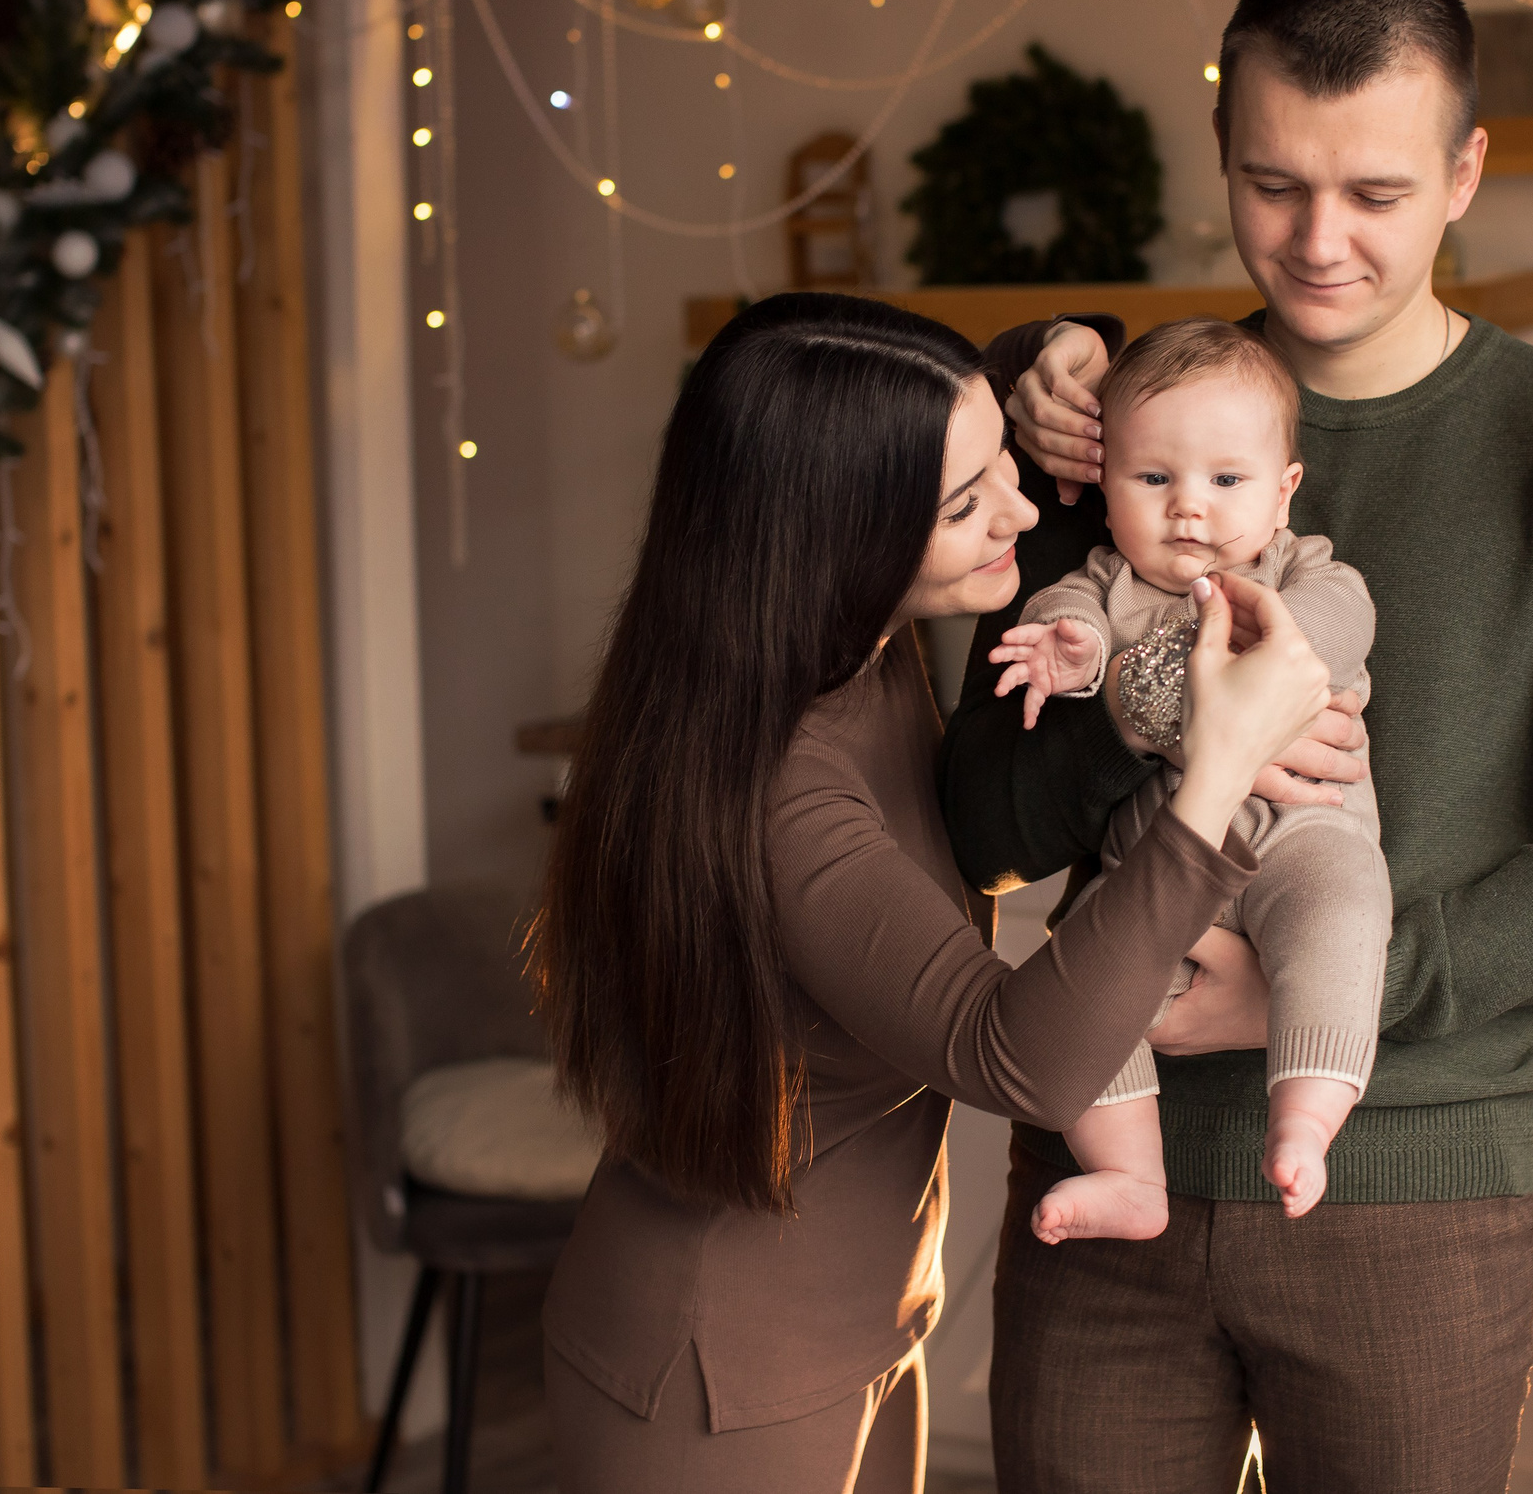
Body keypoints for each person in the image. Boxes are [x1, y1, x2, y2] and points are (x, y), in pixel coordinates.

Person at [943, 0, 1533, 1492]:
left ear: (1465, 170)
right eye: (1272, 183)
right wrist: (1158, 713)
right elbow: (978, 820)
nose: (1317, 241)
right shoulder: (1118, 433)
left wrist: (1317, 996)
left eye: (1374, 192)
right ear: (1223, 151)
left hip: (1411, 1193)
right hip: (1104, 1168)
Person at [534, 293, 1335, 1494]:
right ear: (838, 538)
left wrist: (1047, 364)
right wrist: (1216, 766)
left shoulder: (844, 641)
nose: (1022, 509)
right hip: (718, 1370)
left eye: (1006, 467)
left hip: (864, 1317)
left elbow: (919, 414)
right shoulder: (781, 781)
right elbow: (1011, 1055)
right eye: (969, 504)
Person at [988, 318, 1390, 1238]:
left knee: (1344, 909)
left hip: (1301, 835)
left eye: (1226, 480)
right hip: (1154, 867)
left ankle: (1307, 1115)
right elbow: (1069, 617)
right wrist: (1070, 648)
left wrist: (1273, 651)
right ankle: (1131, 1175)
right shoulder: (1105, 579)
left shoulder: (1299, 572)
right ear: (1106, 488)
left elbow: (1344, 618)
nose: (1188, 509)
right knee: (1083, 979)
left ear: (1285, 491)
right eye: (1155, 478)